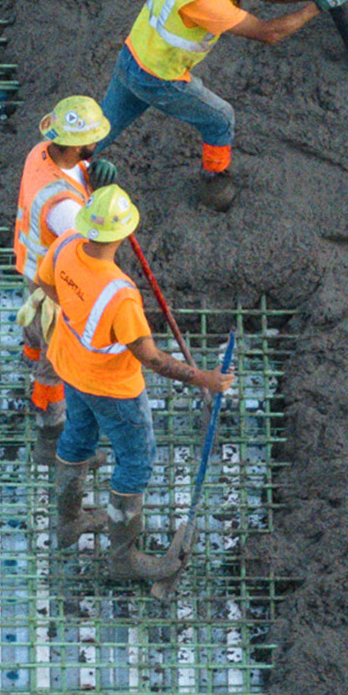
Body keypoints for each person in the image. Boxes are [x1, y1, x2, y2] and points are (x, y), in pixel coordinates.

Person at [33, 185, 233, 579]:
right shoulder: (120, 294)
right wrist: (203, 378)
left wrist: (76, 315)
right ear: (123, 235)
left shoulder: (64, 245)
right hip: (113, 389)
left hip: (70, 365)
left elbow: (46, 285)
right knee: (135, 462)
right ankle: (123, 560)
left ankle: (68, 524)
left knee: (77, 436)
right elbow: (151, 358)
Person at [97, 0, 317, 212]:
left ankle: (59, 163)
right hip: (158, 76)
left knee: (102, 128)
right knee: (220, 118)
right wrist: (316, 9)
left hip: (132, 56)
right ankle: (215, 183)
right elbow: (269, 33)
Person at [13, 94, 117, 457]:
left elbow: (72, 180)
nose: (96, 143)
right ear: (79, 145)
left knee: (36, 331)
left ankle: (31, 354)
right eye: (92, 139)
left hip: (31, 264)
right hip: (51, 282)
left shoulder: (41, 151)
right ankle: (50, 431)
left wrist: (90, 177)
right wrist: (103, 198)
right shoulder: (64, 208)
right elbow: (92, 243)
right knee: (54, 361)